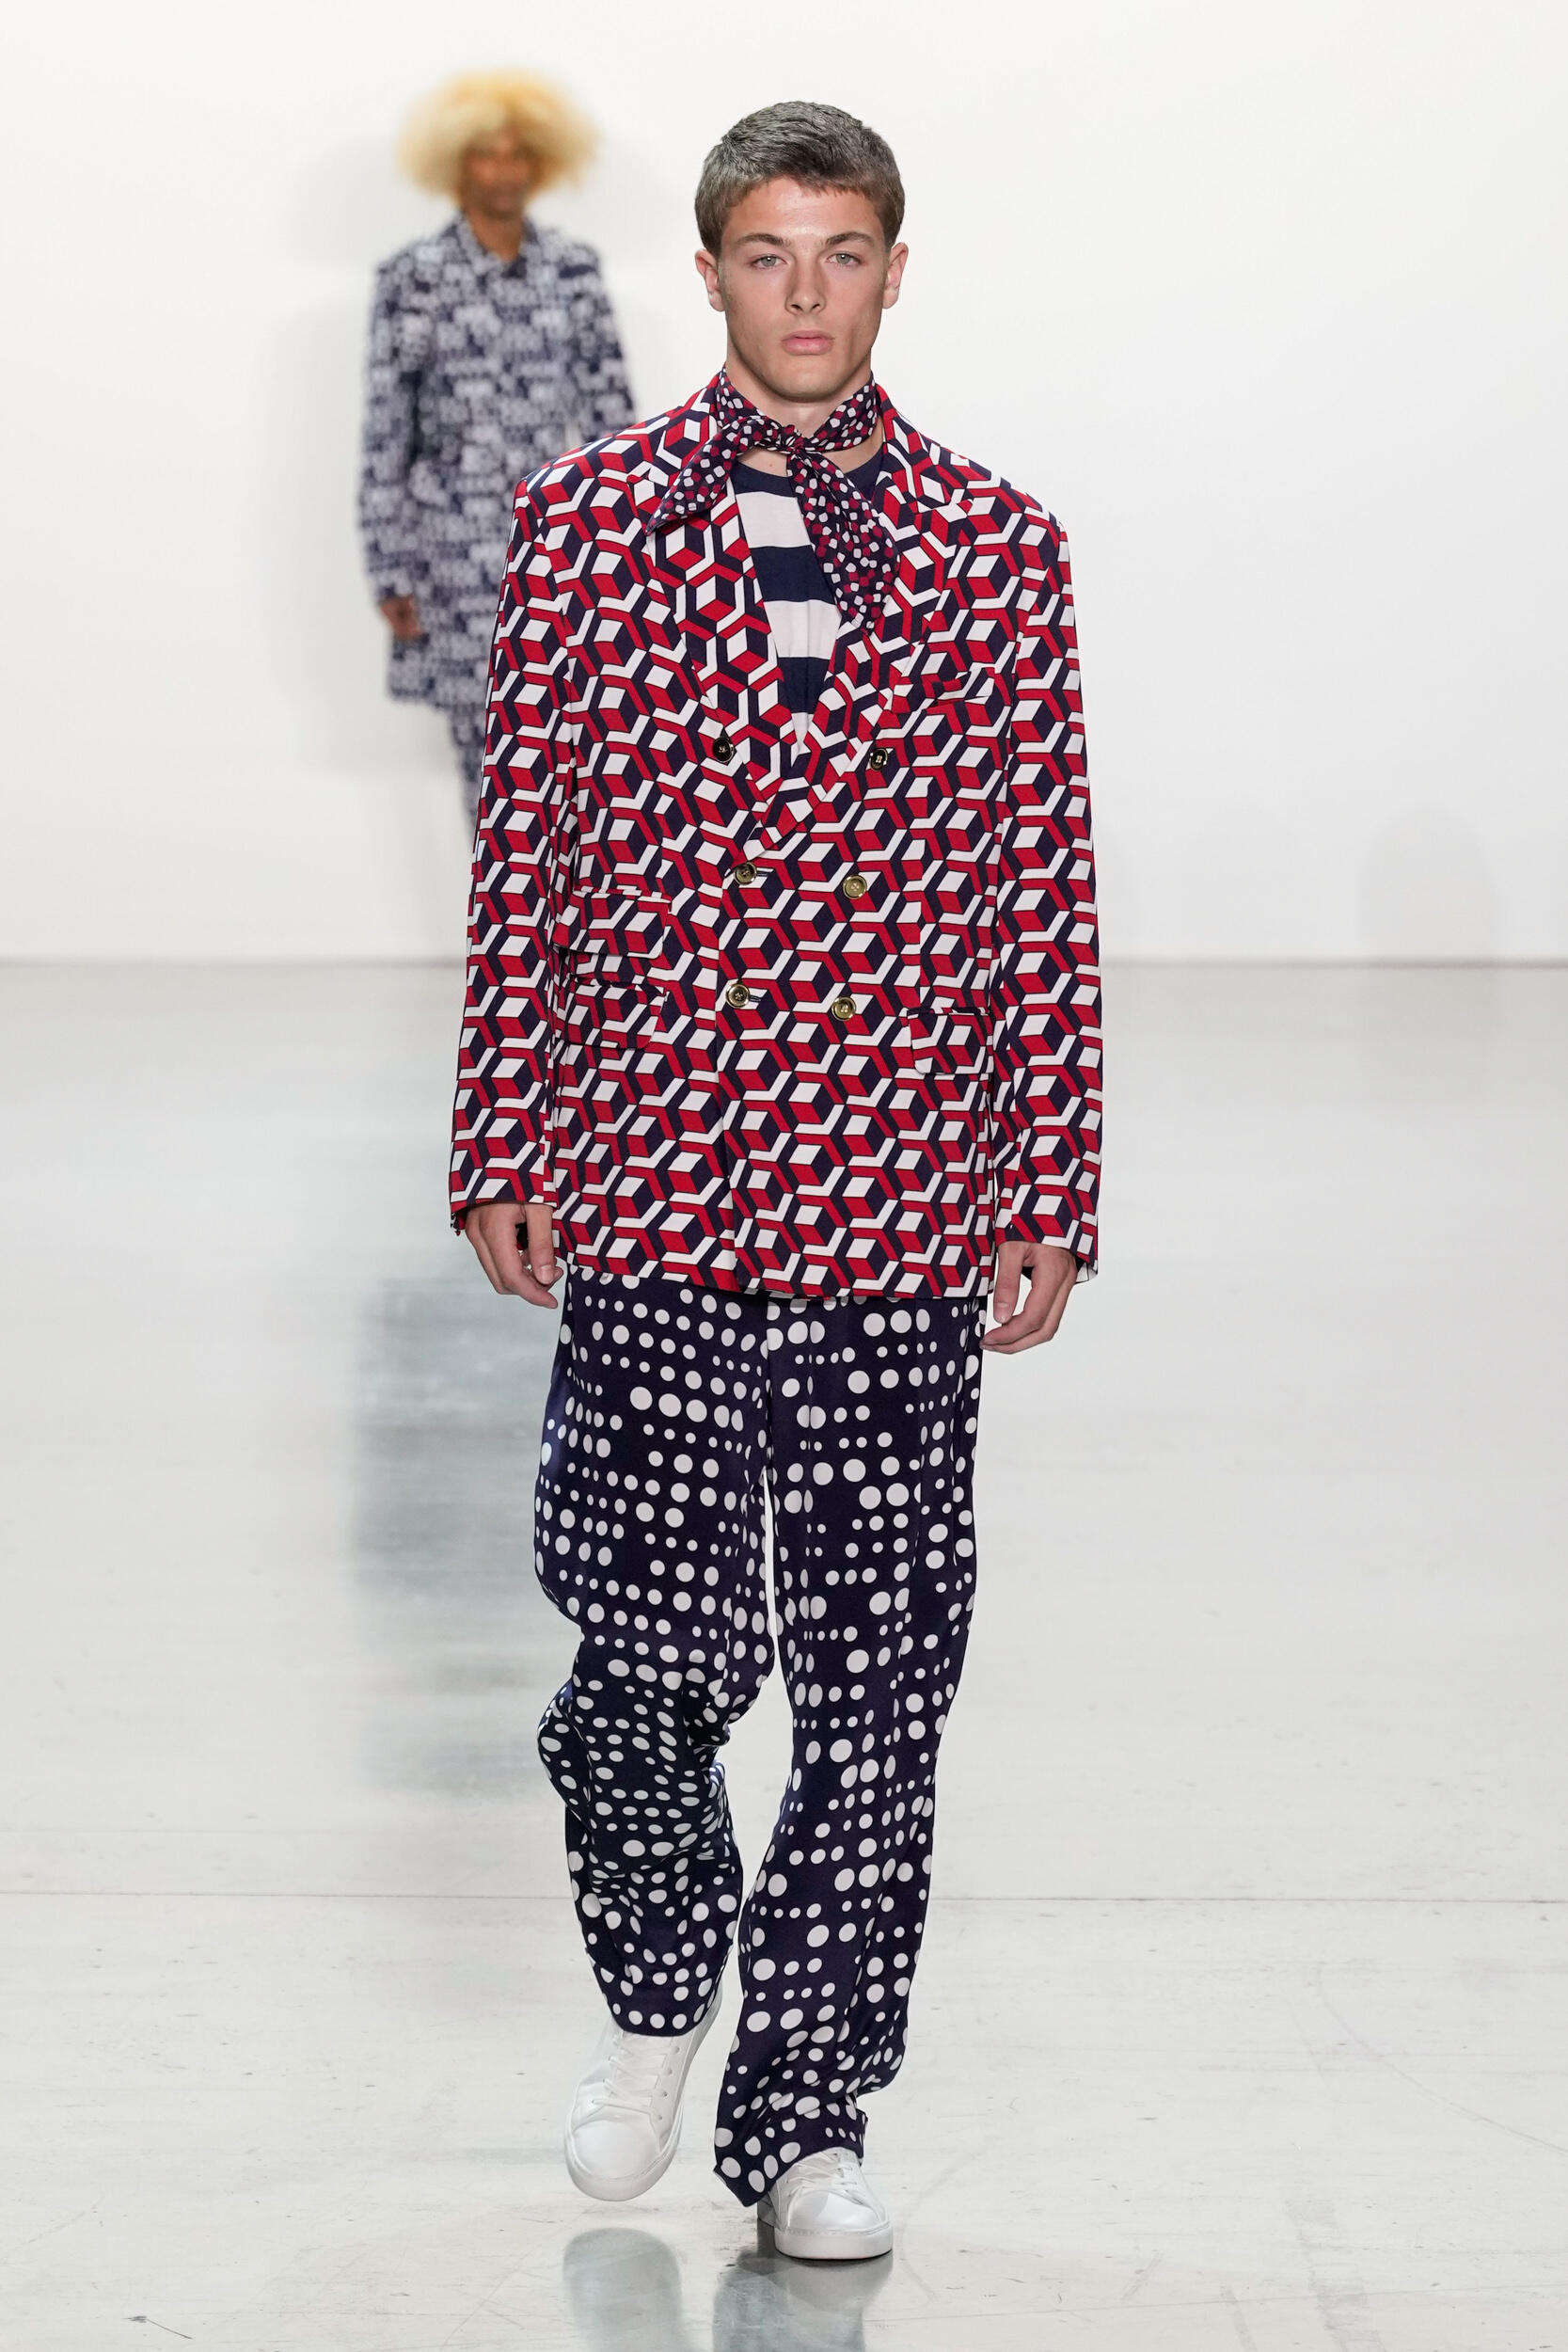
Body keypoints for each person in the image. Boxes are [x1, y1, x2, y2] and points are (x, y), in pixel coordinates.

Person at [452, 101, 1101, 2262]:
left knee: (877, 1696)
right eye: (764, 252)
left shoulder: (998, 547)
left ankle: (804, 2108)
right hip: (655, 1180)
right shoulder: (584, 526)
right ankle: (660, 1986)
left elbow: (1037, 884)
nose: (803, 293)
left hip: (896, 1199)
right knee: (638, 1668)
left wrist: (1045, 1171)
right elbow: (527, 856)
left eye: (840, 253)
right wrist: (505, 1125)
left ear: (894, 269)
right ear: (708, 268)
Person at [358, 71, 635, 822]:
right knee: (486, 758)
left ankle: (574, 901)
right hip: (451, 555)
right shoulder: (412, 280)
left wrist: (636, 547)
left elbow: (613, 421)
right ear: (456, 166)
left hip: (562, 550)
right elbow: (386, 430)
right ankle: (502, 902)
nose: (504, 171)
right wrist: (388, 565)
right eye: (487, 154)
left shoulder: (573, 273)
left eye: (518, 154)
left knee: (586, 753)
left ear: (540, 163)